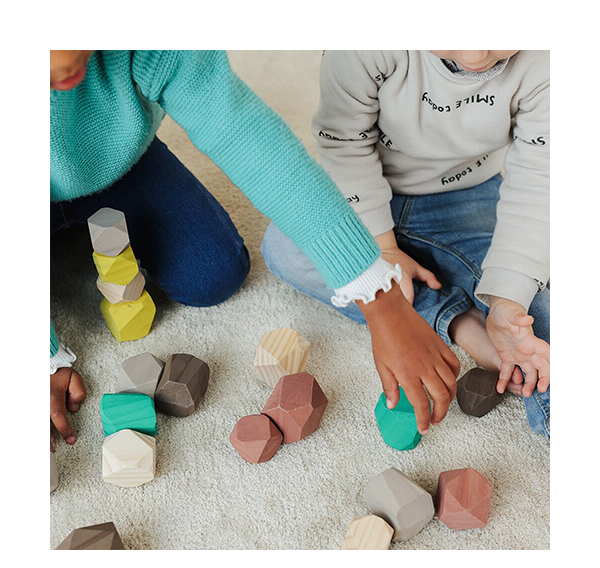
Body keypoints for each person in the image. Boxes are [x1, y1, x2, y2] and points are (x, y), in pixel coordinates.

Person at [50, 50, 460, 448]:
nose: (63, 61)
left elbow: (253, 144)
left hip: (121, 160)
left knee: (213, 272)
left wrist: (382, 302)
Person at [261, 50, 550, 437]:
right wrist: (382, 250)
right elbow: (344, 145)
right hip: (357, 189)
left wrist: (506, 302)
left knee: (534, 316)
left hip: (469, 195)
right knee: (285, 246)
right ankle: (460, 323)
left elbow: (538, 184)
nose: (476, 56)